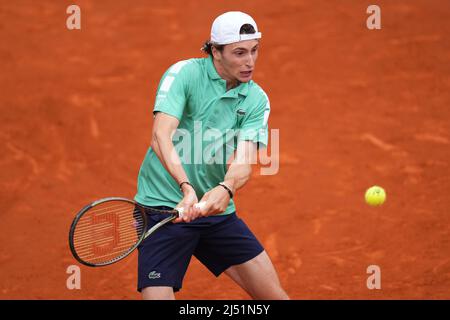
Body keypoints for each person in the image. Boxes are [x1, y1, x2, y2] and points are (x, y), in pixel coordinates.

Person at [134, 11, 289, 300]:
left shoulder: (256, 99)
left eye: (255, 50)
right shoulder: (184, 74)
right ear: (215, 51)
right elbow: (160, 135)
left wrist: (225, 188)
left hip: (214, 213)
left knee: (275, 297)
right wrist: (186, 187)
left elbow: (243, 162)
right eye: (239, 52)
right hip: (163, 212)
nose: (250, 61)